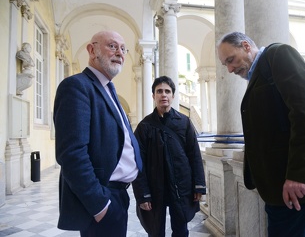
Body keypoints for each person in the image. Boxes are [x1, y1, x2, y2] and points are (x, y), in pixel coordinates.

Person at [217, 32, 305, 237]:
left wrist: (298, 175)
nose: (229, 69)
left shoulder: (280, 55)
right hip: (280, 189)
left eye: (231, 60)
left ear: (246, 46)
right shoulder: (259, 72)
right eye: (225, 65)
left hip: (294, 186)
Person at [54, 30, 142, 237]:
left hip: (119, 195)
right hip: (103, 199)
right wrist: (100, 205)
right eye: (112, 46)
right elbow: (72, 154)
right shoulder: (77, 86)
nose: (120, 52)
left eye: (123, 48)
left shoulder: (109, 91)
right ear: (92, 50)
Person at [132, 76, 206, 237]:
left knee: (181, 229)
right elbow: (138, 163)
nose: (163, 95)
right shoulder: (144, 126)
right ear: (153, 96)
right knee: (155, 230)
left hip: (181, 186)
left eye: (167, 91)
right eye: (159, 91)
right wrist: (142, 194)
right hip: (154, 187)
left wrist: (198, 185)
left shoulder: (184, 122)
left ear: (173, 96)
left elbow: (194, 155)